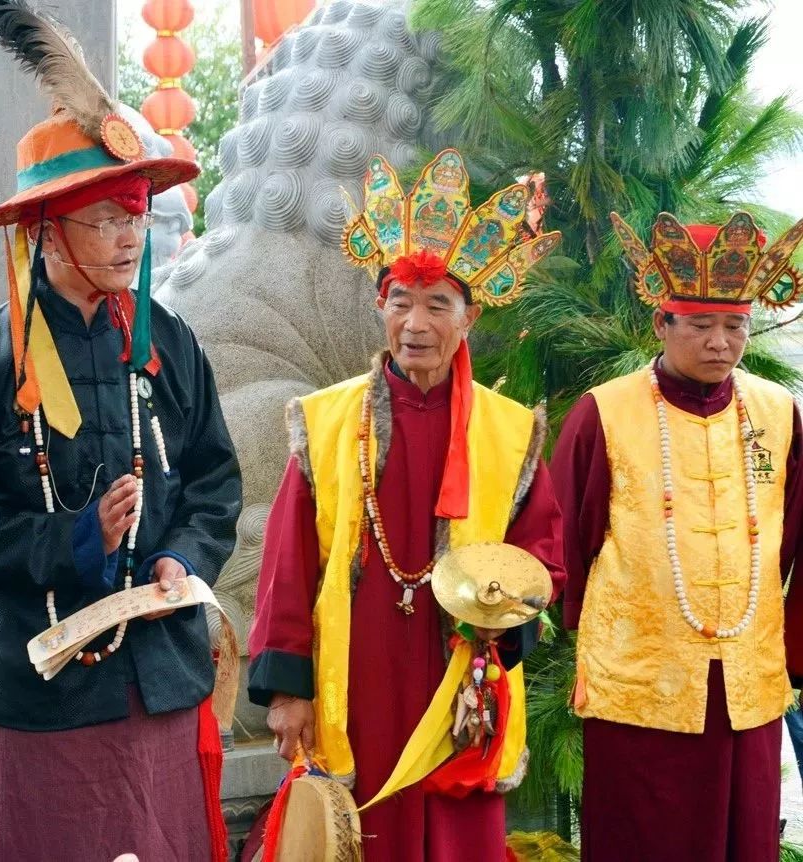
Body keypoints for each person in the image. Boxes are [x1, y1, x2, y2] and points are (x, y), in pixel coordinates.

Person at [0, 5, 240, 860]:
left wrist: (187, 559)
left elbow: (213, 479)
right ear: (47, 229)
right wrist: (74, 540)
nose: (132, 235)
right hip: (41, 694)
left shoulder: (168, 340)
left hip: (159, 682)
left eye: (137, 213)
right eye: (107, 217)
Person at [247, 149, 566, 861]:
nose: (415, 323)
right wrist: (287, 689)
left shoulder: (510, 431)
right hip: (360, 671)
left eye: (436, 305)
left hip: (464, 673)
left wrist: (502, 625)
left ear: (469, 316)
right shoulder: (328, 423)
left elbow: (544, 556)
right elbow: (289, 566)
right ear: (379, 308)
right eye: (400, 302)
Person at [550, 210, 803, 861]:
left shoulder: (778, 412)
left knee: (742, 839)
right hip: (640, 685)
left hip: (747, 683)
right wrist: (573, 625)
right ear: (662, 323)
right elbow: (562, 538)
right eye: (700, 325)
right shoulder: (603, 413)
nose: (721, 342)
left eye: (735, 325)